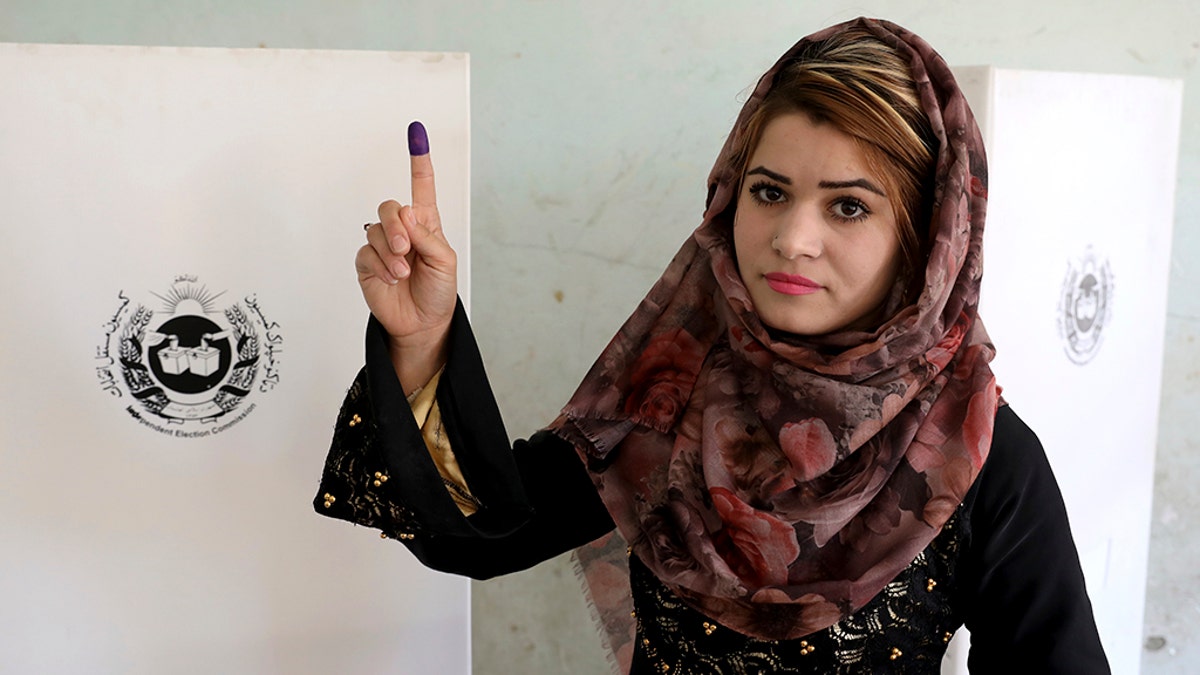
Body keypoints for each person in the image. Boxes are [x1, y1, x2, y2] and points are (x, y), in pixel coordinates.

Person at [316, 17, 1110, 674]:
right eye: (769, 192)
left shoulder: (979, 458)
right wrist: (421, 340)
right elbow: (483, 529)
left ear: (926, 241)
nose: (792, 238)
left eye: (848, 207)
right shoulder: (664, 404)